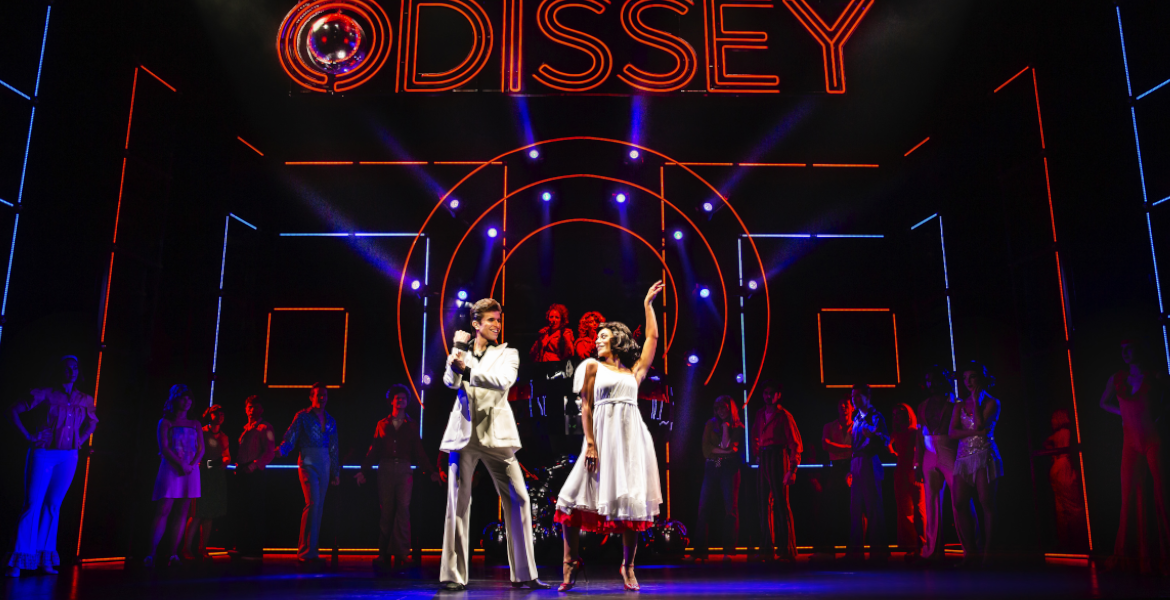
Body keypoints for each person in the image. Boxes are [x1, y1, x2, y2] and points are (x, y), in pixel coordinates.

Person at [555, 281, 665, 592]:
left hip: (630, 442)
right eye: (597, 337)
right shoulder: (592, 367)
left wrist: (647, 305)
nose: (597, 340)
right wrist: (590, 443)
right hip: (600, 440)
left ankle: (628, 566)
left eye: (603, 336)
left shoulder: (634, 372)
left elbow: (653, 338)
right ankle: (570, 561)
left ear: (617, 339)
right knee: (570, 499)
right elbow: (586, 406)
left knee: (631, 504)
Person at [439, 298, 549, 591]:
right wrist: (457, 350)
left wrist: (467, 369)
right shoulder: (461, 351)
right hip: (463, 434)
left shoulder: (507, 353)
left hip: (496, 434)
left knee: (519, 498)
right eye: (491, 320)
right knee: (457, 503)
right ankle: (453, 576)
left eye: (498, 320)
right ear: (476, 324)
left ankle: (525, 574)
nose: (497, 325)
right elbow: (450, 382)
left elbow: (503, 381)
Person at [5, 356, 98, 577]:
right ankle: (18, 560)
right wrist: (29, 436)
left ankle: (44, 558)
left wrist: (80, 440)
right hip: (44, 453)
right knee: (32, 504)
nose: (71, 371)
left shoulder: (84, 399)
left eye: (75, 368)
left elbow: (93, 422)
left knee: (53, 505)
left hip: (69, 456)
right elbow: (12, 411)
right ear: (59, 371)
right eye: (67, 368)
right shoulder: (45, 393)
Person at [356, 384, 442, 573]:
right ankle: (383, 553)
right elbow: (374, 449)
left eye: (403, 398)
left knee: (403, 510)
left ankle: (402, 552)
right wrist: (364, 470)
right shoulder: (382, 424)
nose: (401, 400)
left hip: (404, 469)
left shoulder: (411, 425)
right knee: (386, 511)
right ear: (392, 401)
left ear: (407, 402)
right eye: (397, 398)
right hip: (385, 468)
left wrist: (431, 471)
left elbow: (419, 451)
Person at [1100, 339, 1169, 574]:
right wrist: (1124, 413)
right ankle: (1130, 556)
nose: (1125, 352)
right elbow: (1103, 402)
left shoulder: (1156, 376)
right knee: (1128, 497)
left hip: (1153, 439)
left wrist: (1161, 412)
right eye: (1122, 349)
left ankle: (1165, 556)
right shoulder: (1117, 379)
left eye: (1129, 348)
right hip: (1130, 442)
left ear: (1139, 349)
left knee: (1163, 495)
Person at [275, 383, 340, 565]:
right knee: (313, 503)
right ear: (311, 397)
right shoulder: (302, 416)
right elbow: (291, 437)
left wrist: (335, 472)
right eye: (319, 395)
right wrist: (281, 450)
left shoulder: (331, 420)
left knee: (319, 506)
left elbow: (334, 447)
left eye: (325, 395)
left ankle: (312, 551)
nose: (322, 398)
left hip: (325, 460)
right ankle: (305, 551)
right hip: (308, 459)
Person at [949, 361, 1002, 567]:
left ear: (981, 378)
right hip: (963, 456)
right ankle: (971, 554)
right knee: (959, 503)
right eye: (964, 378)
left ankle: (989, 555)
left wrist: (977, 401)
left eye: (972, 377)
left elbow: (981, 424)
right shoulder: (959, 405)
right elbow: (952, 433)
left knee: (986, 502)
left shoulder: (992, 402)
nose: (967, 381)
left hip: (984, 454)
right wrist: (972, 432)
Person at [145, 385, 204, 568]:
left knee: (182, 511)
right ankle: (151, 554)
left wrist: (191, 465)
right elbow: (164, 448)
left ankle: (173, 554)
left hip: (190, 470)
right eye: (183, 398)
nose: (187, 401)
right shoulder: (165, 422)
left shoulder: (195, 423)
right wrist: (181, 464)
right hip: (171, 468)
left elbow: (201, 449)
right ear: (175, 400)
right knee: (163, 509)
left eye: (189, 398)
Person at [687, 395, 745, 561]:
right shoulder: (710, 424)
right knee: (703, 507)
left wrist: (726, 428)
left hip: (729, 466)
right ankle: (699, 552)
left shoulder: (738, 427)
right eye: (718, 408)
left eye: (723, 407)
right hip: (714, 464)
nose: (720, 411)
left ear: (730, 408)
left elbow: (729, 447)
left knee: (730, 509)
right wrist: (725, 451)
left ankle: (728, 551)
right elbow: (706, 450)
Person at [751, 381, 802, 563]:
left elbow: (795, 444)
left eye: (771, 393)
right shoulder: (760, 414)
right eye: (765, 392)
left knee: (781, 503)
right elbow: (755, 435)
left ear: (778, 395)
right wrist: (757, 453)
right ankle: (767, 548)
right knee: (763, 504)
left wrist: (792, 469)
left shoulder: (784, 415)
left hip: (779, 456)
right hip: (765, 456)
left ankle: (787, 549)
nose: (768, 396)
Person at [914, 366, 958, 562]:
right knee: (931, 503)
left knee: (960, 501)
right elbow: (919, 435)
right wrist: (917, 463)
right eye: (928, 380)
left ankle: (972, 550)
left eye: (934, 379)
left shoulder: (955, 403)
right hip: (929, 452)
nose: (931, 384)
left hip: (950, 450)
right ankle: (933, 550)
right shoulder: (923, 405)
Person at [181, 404, 230, 561]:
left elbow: (227, 456)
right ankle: (186, 548)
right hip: (201, 476)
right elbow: (198, 457)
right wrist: (215, 463)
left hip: (216, 478)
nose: (221, 416)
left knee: (209, 515)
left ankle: (203, 548)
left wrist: (222, 461)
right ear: (210, 415)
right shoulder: (201, 432)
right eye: (217, 413)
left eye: (222, 414)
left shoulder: (224, 436)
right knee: (196, 514)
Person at [847, 384, 889, 563]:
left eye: (858, 396)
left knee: (873, 508)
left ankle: (878, 553)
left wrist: (873, 436)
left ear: (867, 397)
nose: (854, 399)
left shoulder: (876, 417)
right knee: (855, 509)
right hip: (857, 462)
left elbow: (885, 440)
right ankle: (855, 553)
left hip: (869, 461)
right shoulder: (857, 418)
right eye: (853, 396)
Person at [233, 395, 276, 560]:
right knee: (243, 510)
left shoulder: (266, 427)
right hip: (243, 472)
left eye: (255, 407)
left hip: (255, 473)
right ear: (246, 409)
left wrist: (254, 465)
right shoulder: (245, 428)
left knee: (255, 511)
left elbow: (270, 452)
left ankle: (255, 550)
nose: (252, 410)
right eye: (250, 407)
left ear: (261, 409)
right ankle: (243, 547)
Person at [811, 395, 853, 558]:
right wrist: (848, 448)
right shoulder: (829, 426)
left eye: (846, 404)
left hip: (852, 468)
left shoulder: (858, 426)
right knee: (832, 508)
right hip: (836, 469)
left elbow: (859, 448)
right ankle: (829, 549)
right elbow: (825, 445)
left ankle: (852, 549)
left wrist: (840, 448)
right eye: (840, 404)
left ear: (852, 407)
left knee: (852, 510)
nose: (843, 407)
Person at [1044, 409, 1087, 552]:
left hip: (1057, 468)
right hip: (1063, 467)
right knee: (1074, 506)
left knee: (1061, 508)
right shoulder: (1066, 432)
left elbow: (1046, 442)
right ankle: (1079, 541)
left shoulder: (1059, 434)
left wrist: (1053, 454)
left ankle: (1065, 541)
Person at [889, 403, 925, 559]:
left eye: (900, 413)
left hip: (913, 471)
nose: (897, 416)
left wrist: (916, 466)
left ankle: (922, 545)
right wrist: (894, 453)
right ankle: (913, 546)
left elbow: (920, 450)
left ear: (908, 414)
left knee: (919, 510)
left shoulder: (915, 431)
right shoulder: (897, 432)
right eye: (894, 414)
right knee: (906, 512)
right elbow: (886, 443)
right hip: (902, 473)